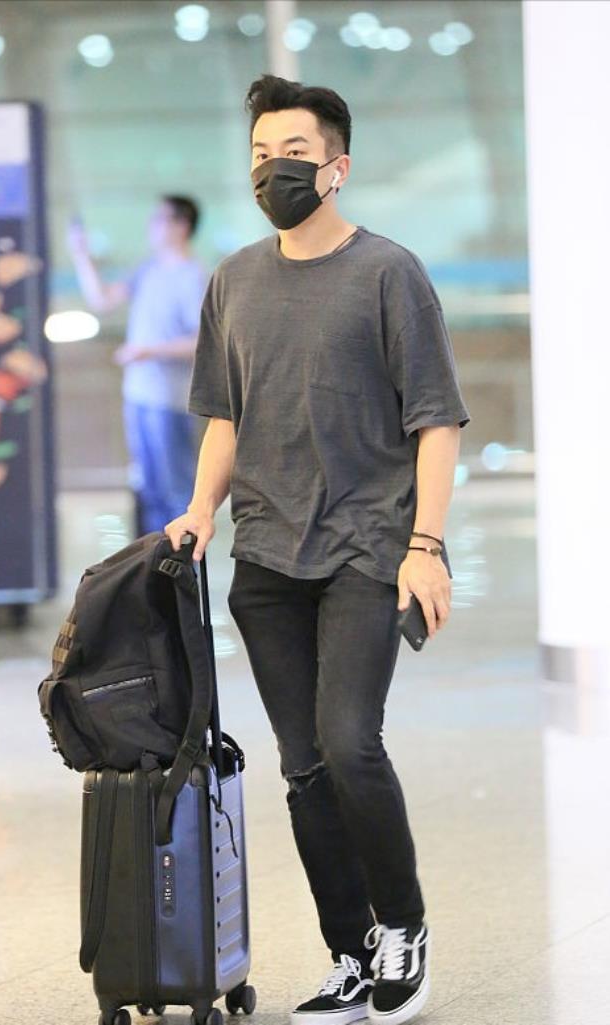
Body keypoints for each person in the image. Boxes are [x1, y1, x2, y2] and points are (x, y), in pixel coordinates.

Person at [166, 75, 470, 1025]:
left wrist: (425, 544)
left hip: (366, 548)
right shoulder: (234, 280)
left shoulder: (389, 273)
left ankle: (404, 926)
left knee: (349, 741)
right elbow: (224, 417)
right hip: (265, 558)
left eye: (292, 153)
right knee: (303, 766)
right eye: (260, 155)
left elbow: (436, 420)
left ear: (337, 167)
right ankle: (352, 952)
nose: (273, 170)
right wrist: (199, 511)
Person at [68, 196, 207, 533]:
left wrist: (149, 351)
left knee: (175, 490)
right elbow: (102, 299)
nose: (151, 225)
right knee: (148, 490)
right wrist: (81, 255)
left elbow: (202, 343)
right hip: (139, 395)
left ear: (181, 225)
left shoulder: (193, 276)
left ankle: (184, 561)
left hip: (170, 400)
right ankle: (154, 561)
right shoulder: (148, 270)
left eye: (160, 218)